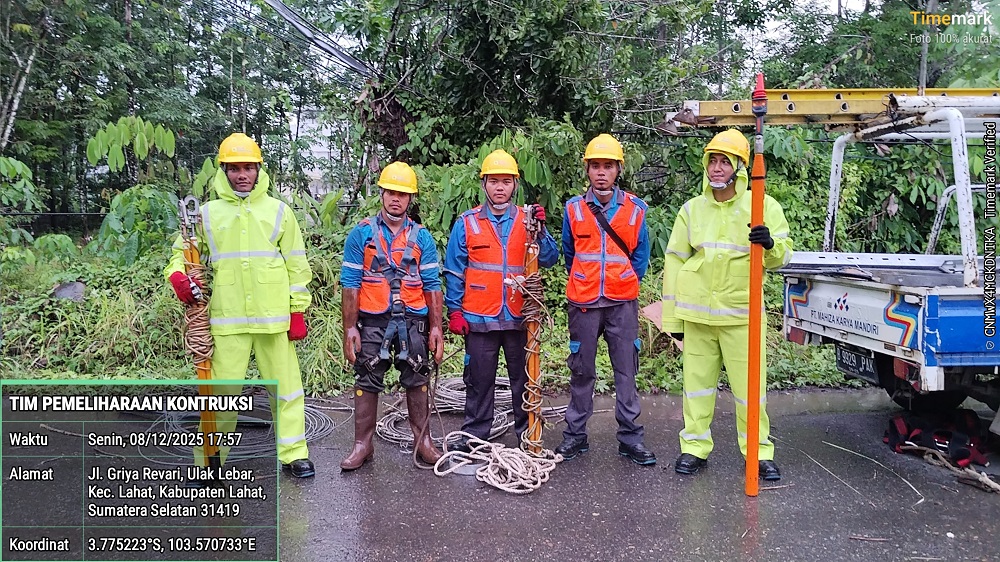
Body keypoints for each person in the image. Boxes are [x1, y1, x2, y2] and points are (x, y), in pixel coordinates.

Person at [165, 132, 315, 480]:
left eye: (248, 167)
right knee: (221, 394)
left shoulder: (279, 212)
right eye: (235, 168)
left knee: (287, 389)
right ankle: (210, 459)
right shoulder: (207, 214)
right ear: (224, 171)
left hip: (274, 320)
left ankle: (294, 454)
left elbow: (296, 264)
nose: (242, 174)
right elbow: (182, 253)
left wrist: (297, 310)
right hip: (228, 320)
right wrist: (178, 277)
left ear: (259, 170)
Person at [661, 129, 793, 481]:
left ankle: (759, 452)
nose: (716, 168)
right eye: (712, 161)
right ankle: (694, 448)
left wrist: (769, 246)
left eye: (724, 162)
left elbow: (782, 255)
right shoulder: (692, 210)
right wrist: (672, 317)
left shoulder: (762, 205)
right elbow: (674, 260)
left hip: (741, 316)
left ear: (740, 167)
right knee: (697, 387)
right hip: (698, 317)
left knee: (751, 391)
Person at [442, 149, 559, 452]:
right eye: (493, 181)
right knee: (479, 382)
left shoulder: (527, 219)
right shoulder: (467, 223)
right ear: (484, 185)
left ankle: (525, 436)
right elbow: (454, 271)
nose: (499, 187)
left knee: (523, 380)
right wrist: (455, 311)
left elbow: (549, 258)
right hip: (480, 318)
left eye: (506, 181)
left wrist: (541, 231)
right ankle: (475, 437)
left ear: (515, 185)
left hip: (520, 316)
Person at [557, 133, 656, 466]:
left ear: (618, 170)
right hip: (584, 302)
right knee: (582, 371)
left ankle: (631, 440)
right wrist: (587, 279)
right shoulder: (573, 209)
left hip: (622, 303)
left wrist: (623, 281)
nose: (601, 172)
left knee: (626, 372)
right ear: (587, 169)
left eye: (608, 166)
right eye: (595, 166)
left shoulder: (635, 209)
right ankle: (575, 437)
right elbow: (569, 254)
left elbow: (640, 255)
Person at [339, 161, 444, 471]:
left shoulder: (422, 237)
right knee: (367, 375)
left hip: (413, 319)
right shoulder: (361, 234)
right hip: (372, 318)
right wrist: (349, 329)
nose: (395, 199)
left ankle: (422, 441)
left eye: (402, 194)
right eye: (390, 192)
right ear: (381, 193)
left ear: (410, 199)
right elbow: (350, 283)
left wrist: (437, 327)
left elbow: (433, 284)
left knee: (417, 374)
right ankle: (363, 444)